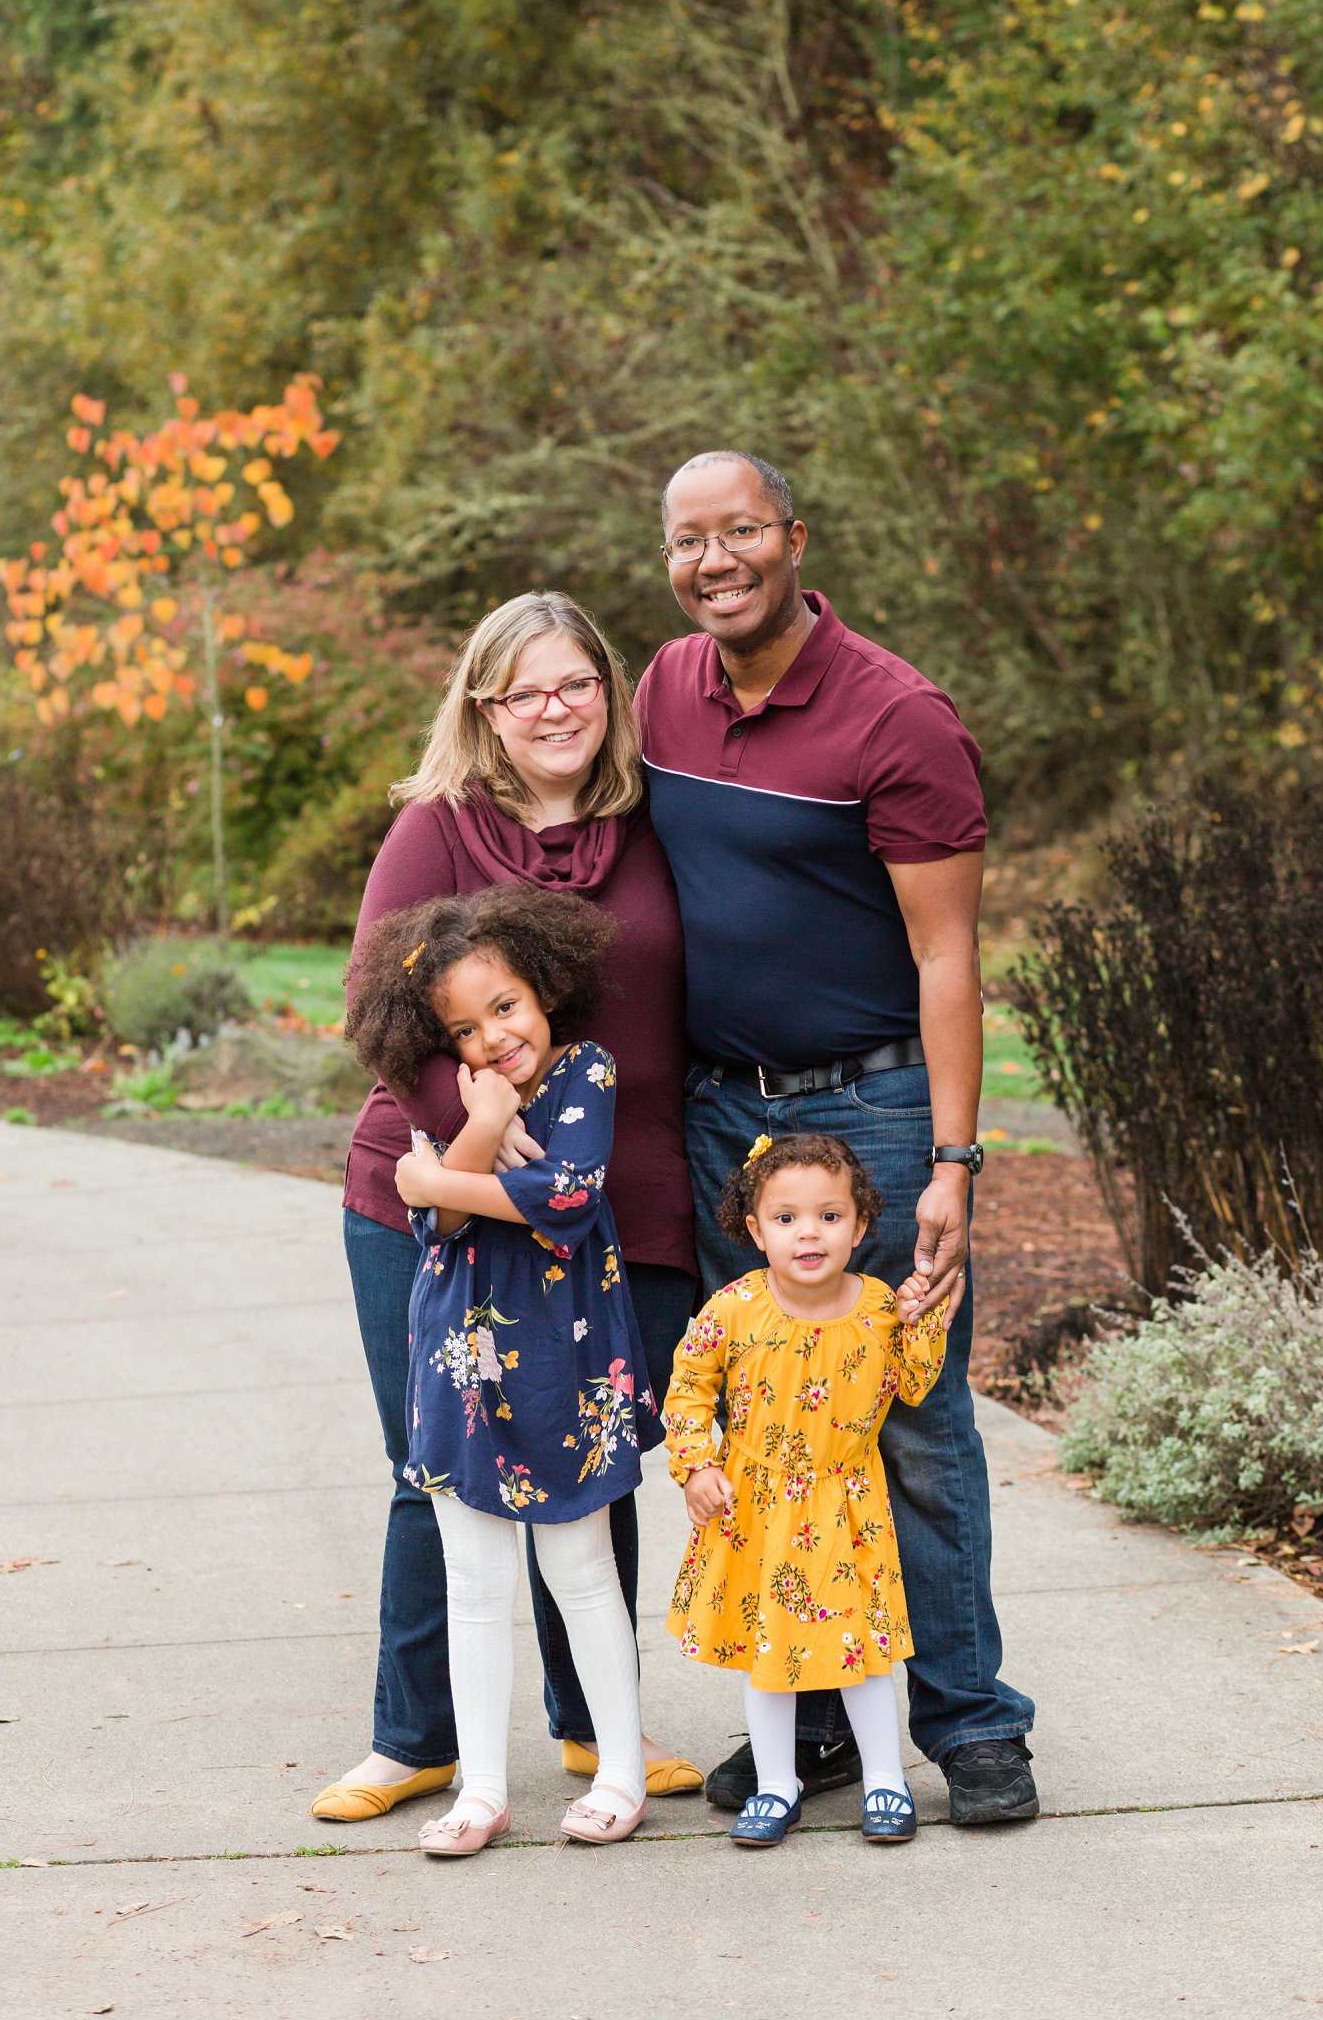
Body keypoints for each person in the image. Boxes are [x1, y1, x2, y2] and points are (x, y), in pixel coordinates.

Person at [635, 450, 1038, 1825]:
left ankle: (970, 1722)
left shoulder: (897, 717)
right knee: (762, 1427)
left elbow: (946, 959)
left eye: (740, 531)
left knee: (910, 1426)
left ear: (796, 538)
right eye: (688, 540)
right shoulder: (664, 690)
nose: (715, 561)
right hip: (722, 1115)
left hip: (869, 1108)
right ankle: (808, 1723)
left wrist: (952, 1161)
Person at [312, 591, 700, 1826]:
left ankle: (597, 1731)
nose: (554, 708)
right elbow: (376, 1005)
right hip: (427, 1198)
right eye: (524, 689)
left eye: (577, 683)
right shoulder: (438, 829)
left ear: (609, 694)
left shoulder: (648, 827)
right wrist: (483, 1121)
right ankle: (412, 1739)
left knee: (590, 1469)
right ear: (483, 706)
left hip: (614, 1202)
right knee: (435, 1467)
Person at [345, 883, 661, 1851]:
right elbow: (431, 1221)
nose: (493, 1036)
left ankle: (621, 1768)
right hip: (460, 1358)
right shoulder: (462, 1097)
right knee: (473, 1578)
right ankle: (481, 1788)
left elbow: (564, 1196)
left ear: (544, 990)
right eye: (465, 1028)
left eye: (505, 1006)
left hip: (562, 1359)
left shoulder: (587, 1071)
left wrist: (440, 1174)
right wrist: (475, 1132)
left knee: (581, 1570)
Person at [663, 1132, 962, 1848]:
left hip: (846, 1503)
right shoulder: (734, 1308)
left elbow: (915, 1384)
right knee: (769, 1657)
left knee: (859, 1651)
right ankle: (776, 1784)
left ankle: (885, 1779)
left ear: (860, 1228)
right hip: (756, 1510)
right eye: (788, 1217)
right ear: (755, 1229)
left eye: (830, 1217)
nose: (809, 1232)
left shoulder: (879, 1307)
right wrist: (698, 1464)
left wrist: (923, 1323)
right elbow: (688, 1388)